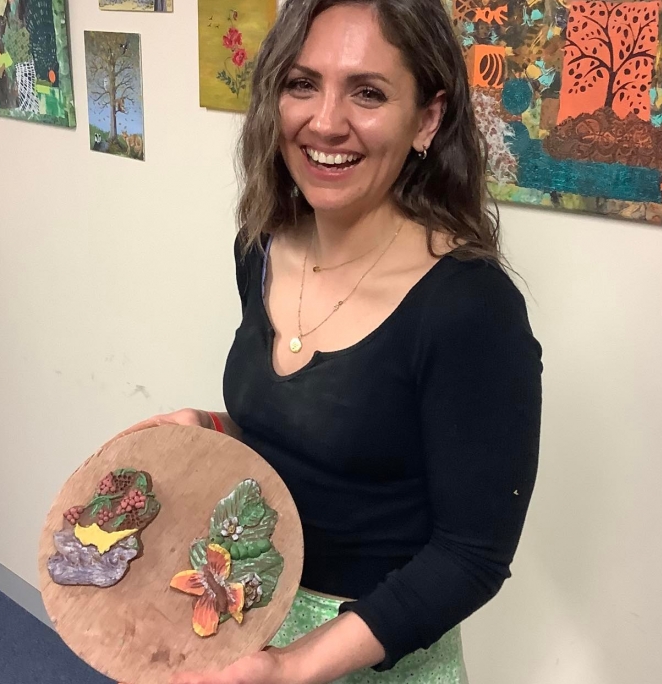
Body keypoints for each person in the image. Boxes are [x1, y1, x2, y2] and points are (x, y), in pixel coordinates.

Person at [120, 0, 542, 681]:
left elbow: (470, 556)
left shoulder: (470, 308)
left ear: (427, 119)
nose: (323, 121)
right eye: (301, 83)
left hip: (371, 654)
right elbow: (324, 439)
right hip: (245, 618)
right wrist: (210, 427)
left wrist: (293, 668)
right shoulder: (260, 248)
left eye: (367, 93)